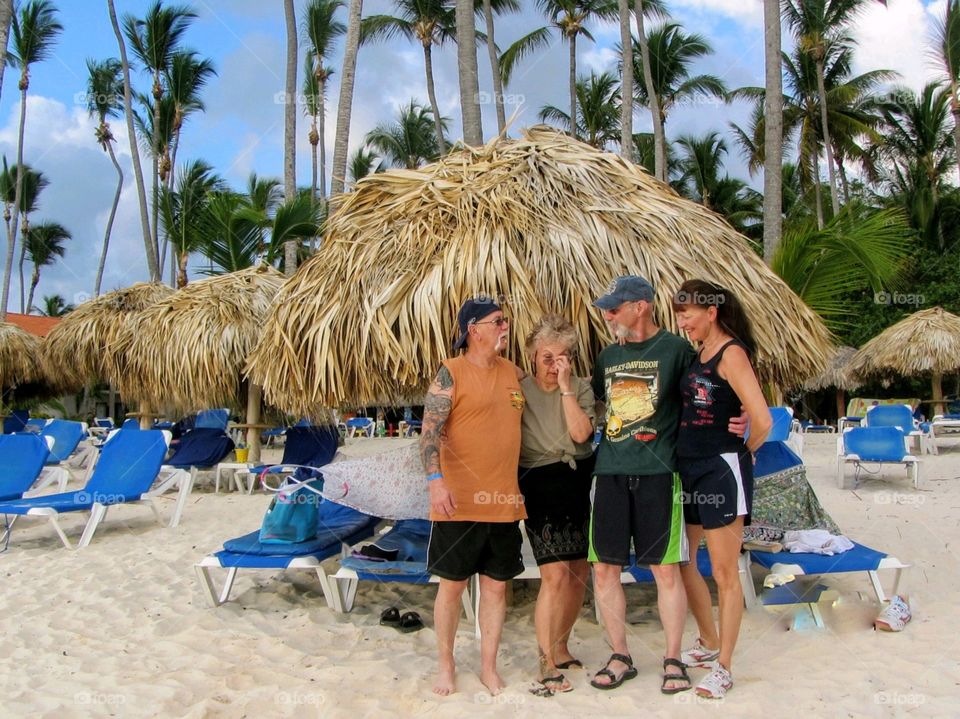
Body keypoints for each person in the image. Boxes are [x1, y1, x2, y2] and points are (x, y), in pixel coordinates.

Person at [588, 275, 697, 695]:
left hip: (658, 474)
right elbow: (602, 404)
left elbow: (702, 399)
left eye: (615, 307)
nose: (608, 314)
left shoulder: (677, 351)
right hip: (610, 471)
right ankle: (620, 655)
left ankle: (673, 658)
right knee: (604, 570)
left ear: (642, 306)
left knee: (665, 570)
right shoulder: (607, 357)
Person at [420, 297, 527, 697]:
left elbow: (548, 393)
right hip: (458, 501)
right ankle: (446, 666)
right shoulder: (451, 372)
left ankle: (488, 666)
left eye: (505, 320)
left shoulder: (513, 372)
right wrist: (435, 478)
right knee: (452, 585)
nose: (504, 327)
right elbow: (429, 431)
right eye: (497, 321)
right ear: (473, 329)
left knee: (497, 586)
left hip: (503, 501)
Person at [672, 279, 771, 699]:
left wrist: (738, 452)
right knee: (685, 560)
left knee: (725, 573)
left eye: (687, 314)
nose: (682, 322)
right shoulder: (700, 353)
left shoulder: (732, 354)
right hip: (690, 469)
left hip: (721, 470)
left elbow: (762, 419)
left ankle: (725, 666)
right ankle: (709, 640)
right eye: (678, 315)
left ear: (711, 311)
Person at [518, 315, 595, 695]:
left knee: (580, 570)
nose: (553, 365)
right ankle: (546, 661)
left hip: (578, 478)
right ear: (532, 356)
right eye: (546, 357)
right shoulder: (517, 389)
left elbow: (582, 433)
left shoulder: (580, 388)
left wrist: (565, 389)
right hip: (540, 481)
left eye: (562, 356)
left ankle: (562, 647)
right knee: (554, 574)